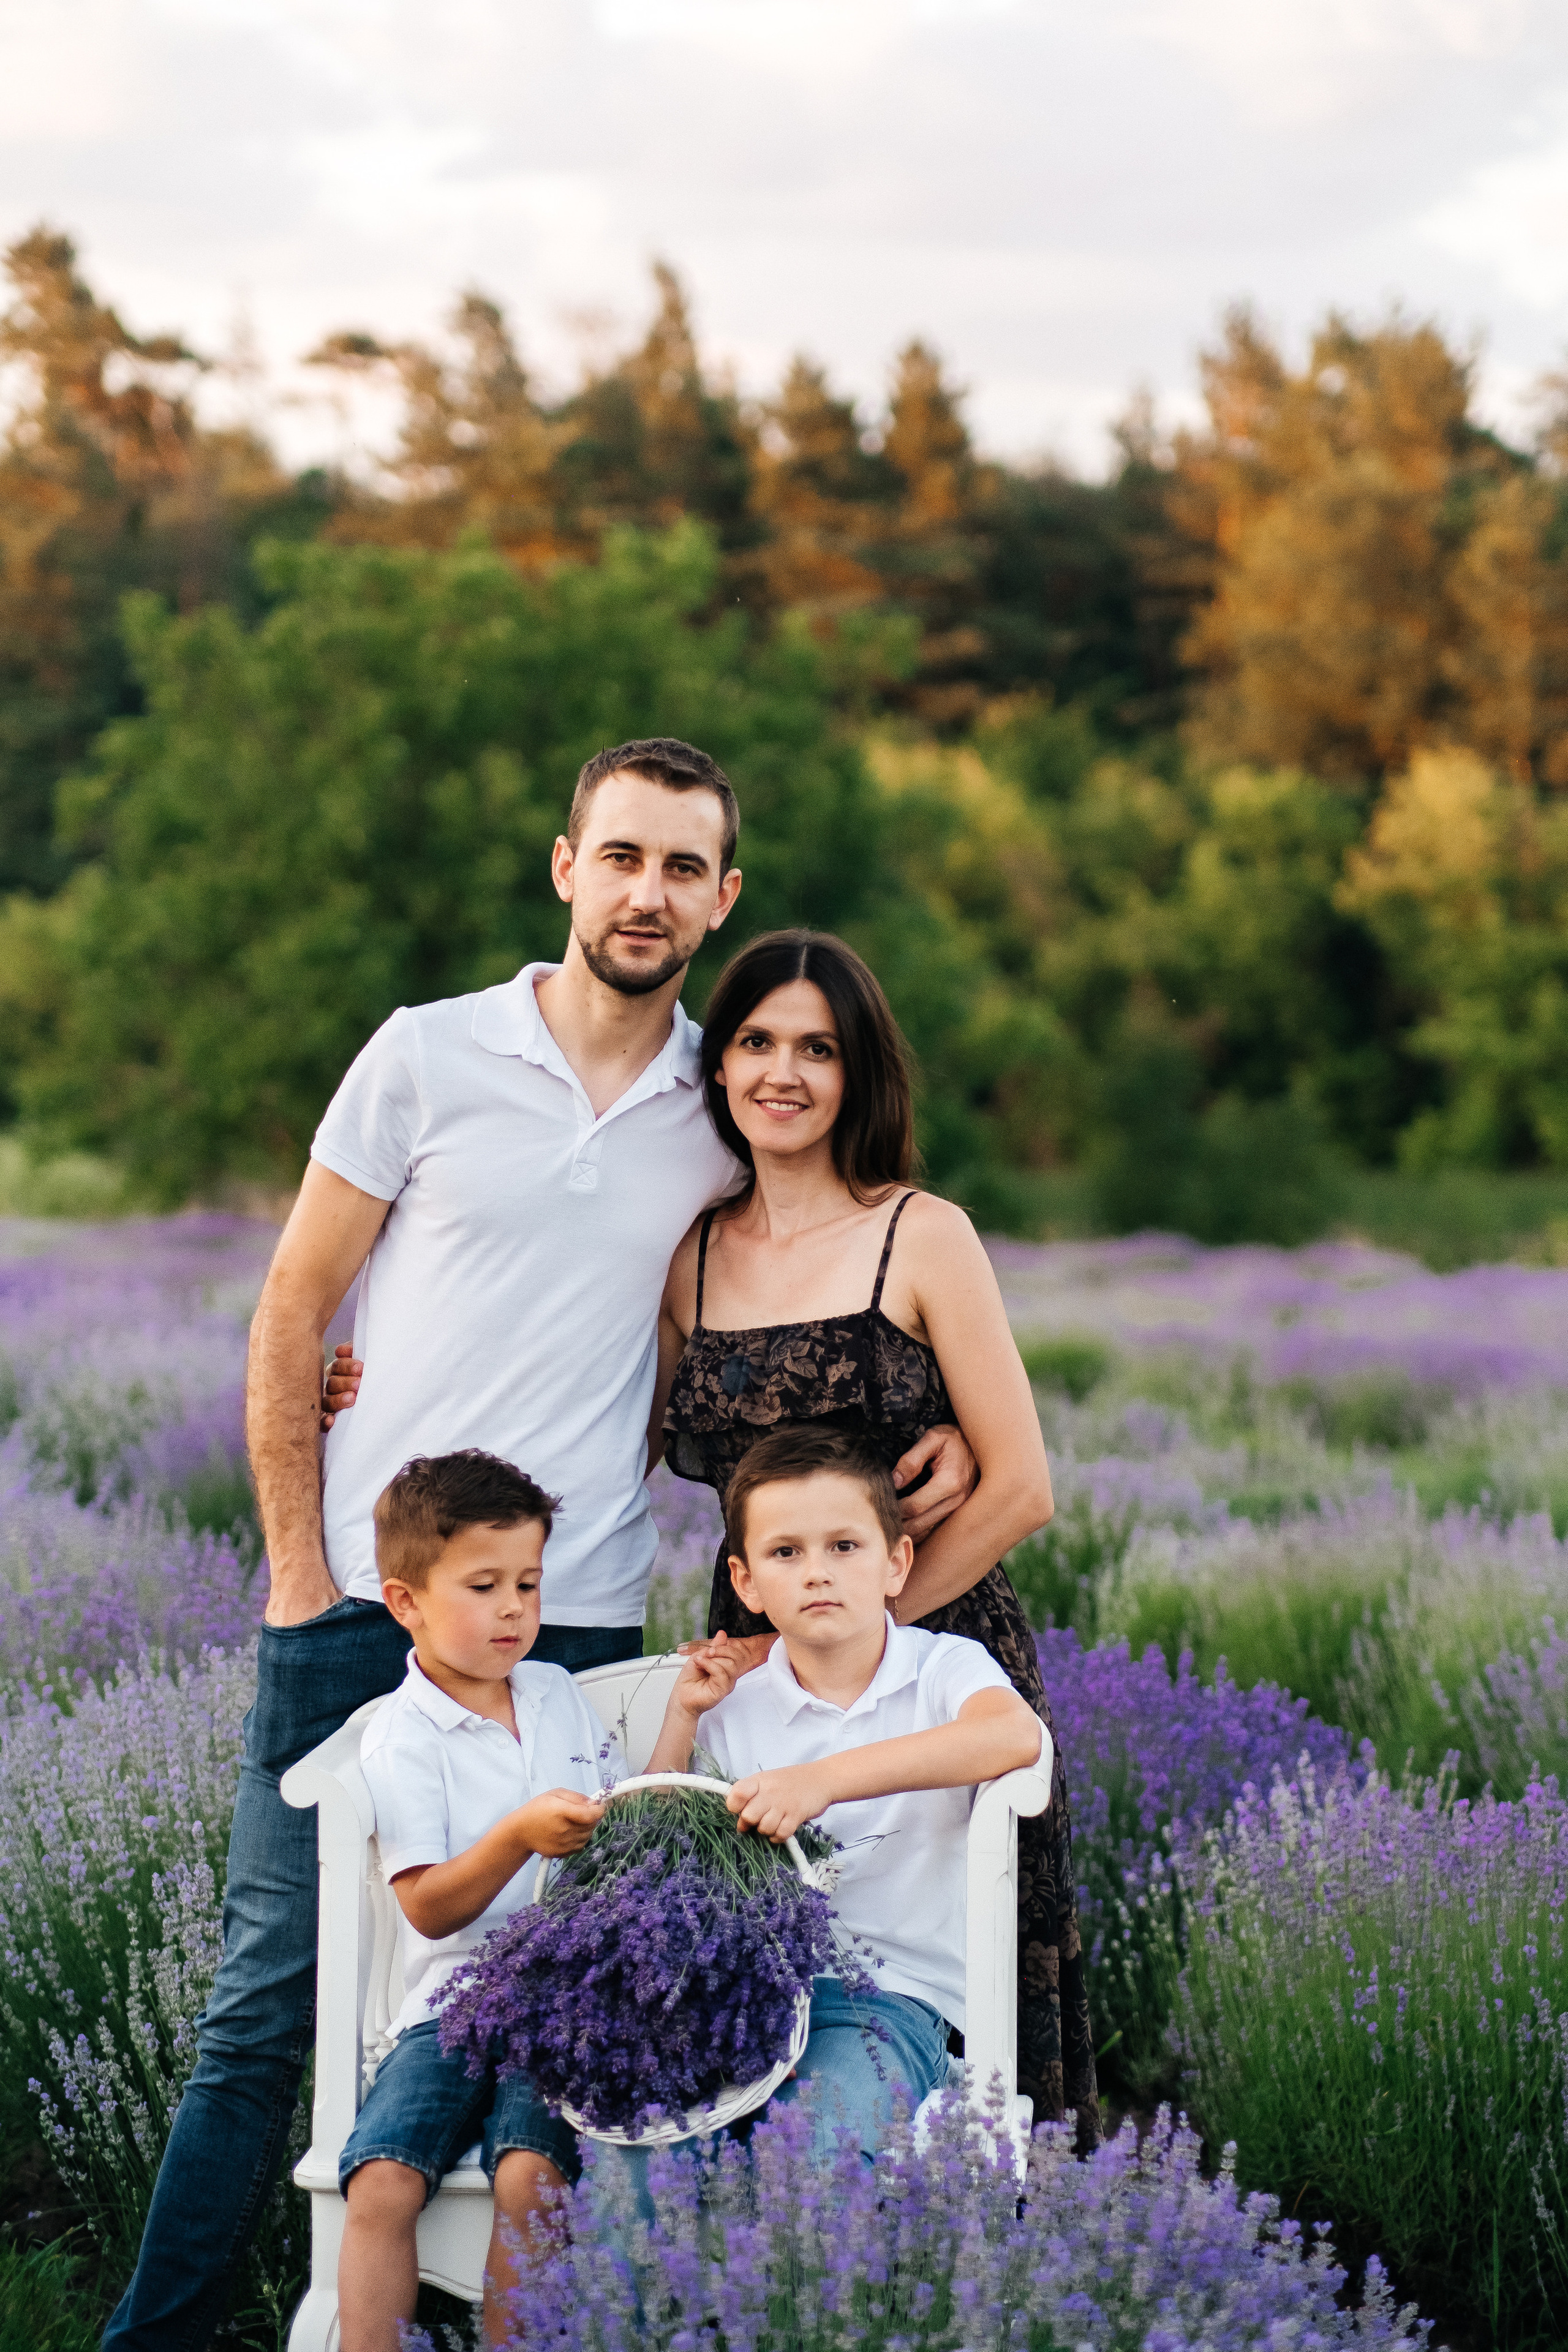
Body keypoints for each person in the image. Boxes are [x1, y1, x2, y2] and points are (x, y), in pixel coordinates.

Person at [105, 739, 975, 2348]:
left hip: (572, 1630)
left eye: (682, 868)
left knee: (551, 2008)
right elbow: (295, 1303)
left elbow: (798, 1284)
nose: (648, 893)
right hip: (359, 1605)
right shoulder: (425, 1053)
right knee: (267, 2007)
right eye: (621, 856)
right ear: (567, 866)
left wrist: (933, 1434)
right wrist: (300, 1569)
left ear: (722, 897)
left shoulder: (719, 1104)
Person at [658, 926, 1101, 2139]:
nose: (783, 1073)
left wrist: (861, 1631)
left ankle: (965, 2228)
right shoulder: (691, 1256)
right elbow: (614, 1435)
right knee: (758, 1958)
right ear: (718, 1064)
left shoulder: (922, 1233)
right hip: (757, 1647)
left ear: (859, 1073)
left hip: (929, 1638)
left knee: (950, 1967)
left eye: (818, 1049)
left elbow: (1019, 1487)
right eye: (756, 1042)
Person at [640, 1422, 1045, 2166]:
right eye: (786, 1553)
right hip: (749, 1998)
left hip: (888, 2004)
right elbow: (659, 1852)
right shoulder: (734, 1706)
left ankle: (796, 2246)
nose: (817, 1573)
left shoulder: (941, 1669)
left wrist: (821, 1781)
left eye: (844, 1547)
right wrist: (681, 1718)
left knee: (811, 2149)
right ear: (745, 1583)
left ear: (897, 1563)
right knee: (640, 2152)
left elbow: (1014, 1736)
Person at [338, 1451, 609, 2352]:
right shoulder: (404, 1736)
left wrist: (683, 1714)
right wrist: (515, 1836)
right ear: (405, 1602)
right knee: (382, 2181)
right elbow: (427, 1907)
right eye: (484, 1587)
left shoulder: (556, 1694)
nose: (514, 1609)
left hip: (565, 2001)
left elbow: (619, 1813)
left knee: (531, 2177)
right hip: (450, 2002)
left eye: (528, 1585)